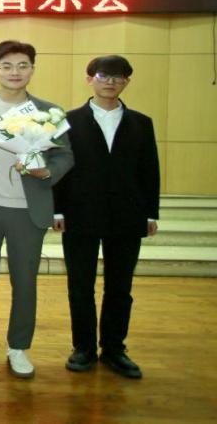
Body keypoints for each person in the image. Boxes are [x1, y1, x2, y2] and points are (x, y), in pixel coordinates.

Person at [0, 40, 73, 379]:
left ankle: (19, 347)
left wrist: (46, 172)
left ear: (32, 69)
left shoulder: (50, 112)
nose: (14, 72)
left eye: (22, 65)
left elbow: (65, 156)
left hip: (28, 208)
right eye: (6, 66)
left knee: (25, 281)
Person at [55, 55, 159, 379]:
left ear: (127, 81)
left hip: (127, 215)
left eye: (118, 76)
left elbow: (149, 170)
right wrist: (57, 209)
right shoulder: (68, 120)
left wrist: (150, 213)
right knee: (80, 285)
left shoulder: (141, 122)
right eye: (103, 75)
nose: (110, 82)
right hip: (80, 213)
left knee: (120, 287)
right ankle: (83, 348)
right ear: (90, 79)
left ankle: (114, 349)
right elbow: (60, 168)